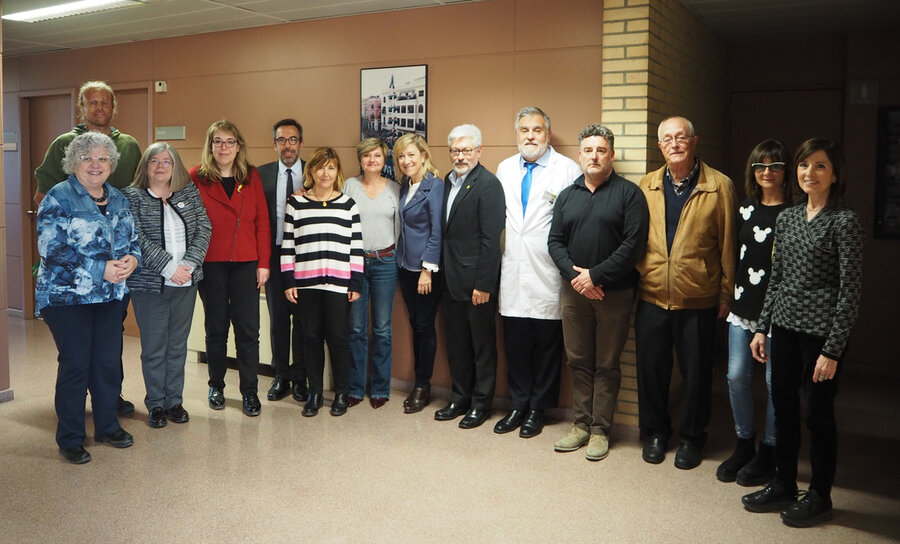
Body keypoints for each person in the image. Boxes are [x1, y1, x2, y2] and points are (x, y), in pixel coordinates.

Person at [742, 138, 863, 528]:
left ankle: (820, 495)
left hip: (821, 338)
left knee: (818, 414)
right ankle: (783, 483)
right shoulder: (788, 218)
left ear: (835, 174)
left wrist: (832, 349)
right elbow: (774, 279)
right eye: (804, 165)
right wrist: (763, 328)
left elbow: (850, 291)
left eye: (820, 166)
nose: (810, 172)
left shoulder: (845, 222)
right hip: (785, 330)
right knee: (784, 411)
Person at [34, 80, 142, 415]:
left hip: (110, 290)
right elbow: (51, 243)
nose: (94, 164)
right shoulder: (60, 190)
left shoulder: (120, 194)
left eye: (102, 159)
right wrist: (98, 267)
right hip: (70, 293)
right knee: (77, 362)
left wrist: (132, 260)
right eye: (86, 159)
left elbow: (132, 234)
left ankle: (108, 415)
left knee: (107, 358)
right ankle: (71, 433)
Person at [635, 116, 737, 469]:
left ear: (694, 142)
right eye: (667, 139)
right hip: (651, 294)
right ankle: (655, 433)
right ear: (659, 146)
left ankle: (693, 437)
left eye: (681, 137)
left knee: (695, 375)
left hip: (698, 296)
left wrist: (726, 292)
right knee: (652, 371)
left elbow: (728, 243)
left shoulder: (719, 185)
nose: (675, 144)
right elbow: (635, 239)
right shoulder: (646, 185)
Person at [548, 124, 649, 460]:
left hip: (614, 294)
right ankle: (580, 424)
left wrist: (596, 276)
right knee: (578, 360)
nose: (594, 156)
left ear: (611, 155)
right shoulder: (568, 195)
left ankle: (600, 430)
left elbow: (632, 246)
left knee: (606, 363)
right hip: (574, 293)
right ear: (580, 155)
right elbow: (555, 242)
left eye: (600, 150)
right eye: (588, 150)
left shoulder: (629, 194)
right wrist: (577, 279)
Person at [494, 107, 581, 438]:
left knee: (546, 346)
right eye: (524, 130)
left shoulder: (567, 170)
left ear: (548, 133)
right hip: (513, 266)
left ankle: (538, 409)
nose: (530, 136)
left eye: (537, 130)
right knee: (515, 343)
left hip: (547, 269)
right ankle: (518, 404)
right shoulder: (504, 169)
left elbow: (573, 222)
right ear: (516, 134)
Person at [716, 140, 794, 485]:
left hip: (780, 312)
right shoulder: (745, 209)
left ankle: (770, 449)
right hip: (744, 306)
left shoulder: (795, 212)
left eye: (774, 166)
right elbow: (735, 254)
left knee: (775, 382)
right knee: (735, 375)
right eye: (759, 167)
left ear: (785, 170)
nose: (766, 173)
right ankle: (744, 442)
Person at [123, 143, 211, 428]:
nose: (161, 166)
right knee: (154, 346)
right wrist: (170, 267)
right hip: (150, 285)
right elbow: (135, 237)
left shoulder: (188, 193)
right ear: (145, 166)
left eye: (167, 161)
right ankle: (156, 404)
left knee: (177, 346)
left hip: (186, 283)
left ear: (176, 167)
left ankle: (175, 401)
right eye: (154, 161)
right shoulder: (132, 197)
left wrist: (188, 265)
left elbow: (204, 228)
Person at [190, 120, 270, 417]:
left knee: (248, 330)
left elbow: (262, 221)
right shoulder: (196, 177)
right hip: (211, 263)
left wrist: (263, 264)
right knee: (216, 328)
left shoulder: (251, 177)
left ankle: (249, 391)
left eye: (230, 142)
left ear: (239, 146)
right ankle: (216, 386)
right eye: (218, 141)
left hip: (246, 263)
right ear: (210, 145)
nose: (224, 147)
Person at [281, 147, 363, 417]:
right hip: (306, 284)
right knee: (311, 338)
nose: (325, 173)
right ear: (311, 171)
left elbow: (356, 247)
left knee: (339, 339)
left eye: (330, 168)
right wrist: (288, 280)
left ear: (337, 172)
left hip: (339, 285)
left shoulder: (348, 205)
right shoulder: (296, 204)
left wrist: (355, 284)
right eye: (320, 168)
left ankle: (341, 392)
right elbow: (288, 245)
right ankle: (314, 393)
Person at [434, 124, 505, 429]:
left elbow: (492, 240)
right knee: (457, 344)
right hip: (449, 279)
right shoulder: (446, 183)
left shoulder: (488, 184)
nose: (460, 156)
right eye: (455, 151)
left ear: (479, 151)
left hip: (476, 281)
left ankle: (481, 404)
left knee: (481, 346)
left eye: (466, 150)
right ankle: (460, 397)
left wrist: (484, 284)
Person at [344, 138, 401, 409]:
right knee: (355, 328)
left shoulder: (395, 189)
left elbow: (402, 228)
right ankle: (355, 388)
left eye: (377, 156)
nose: (372, 161)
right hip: (354, 264)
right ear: (360, 159)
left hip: (385, 264)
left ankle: (380, 388)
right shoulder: (349, 186)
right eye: (367, 156)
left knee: (382, 329)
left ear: (384, 159)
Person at [393, 134, 444, 414]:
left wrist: (427, 269)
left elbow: (437, 230)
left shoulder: (434, 185)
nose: (406, 161)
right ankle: (420, 382)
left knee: (424, 326)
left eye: (411, 155)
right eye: (401, 156)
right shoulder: (406, 185)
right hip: (404, 267)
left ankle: (423, 386)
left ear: (423, 155)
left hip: (425, 271)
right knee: (416, 324)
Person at [259, 119, 308, 403]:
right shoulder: (261, 174)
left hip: (305, 257)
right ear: (274, 144)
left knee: (302, 319)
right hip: (275, 254)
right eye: (282, 140)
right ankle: (281, 375)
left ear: (301, 143)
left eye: (293, 140)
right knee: (278, 319)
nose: (287, 145)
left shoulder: (314, 173)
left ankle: (300, 377)